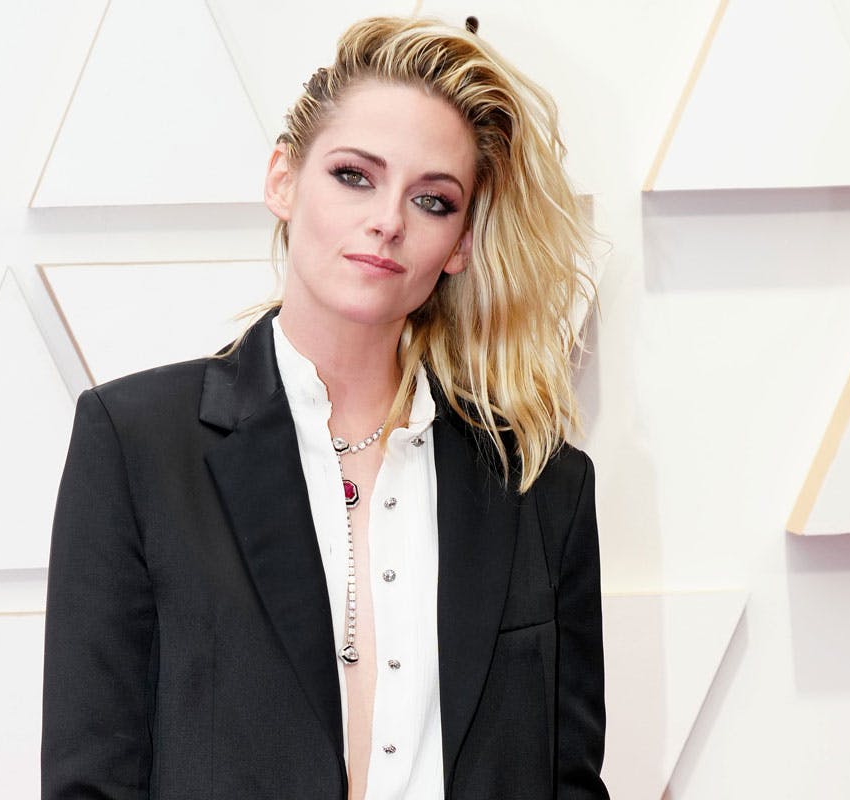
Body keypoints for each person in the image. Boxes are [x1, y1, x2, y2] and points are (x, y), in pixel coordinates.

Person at [42, 15, 607, 800]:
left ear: (461, 244)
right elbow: (91, 782)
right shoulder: (136, 445)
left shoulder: (542, 485)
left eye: (433, 200)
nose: (389, 221)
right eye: (354, 175)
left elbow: (567, 780)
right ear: (283, 178)